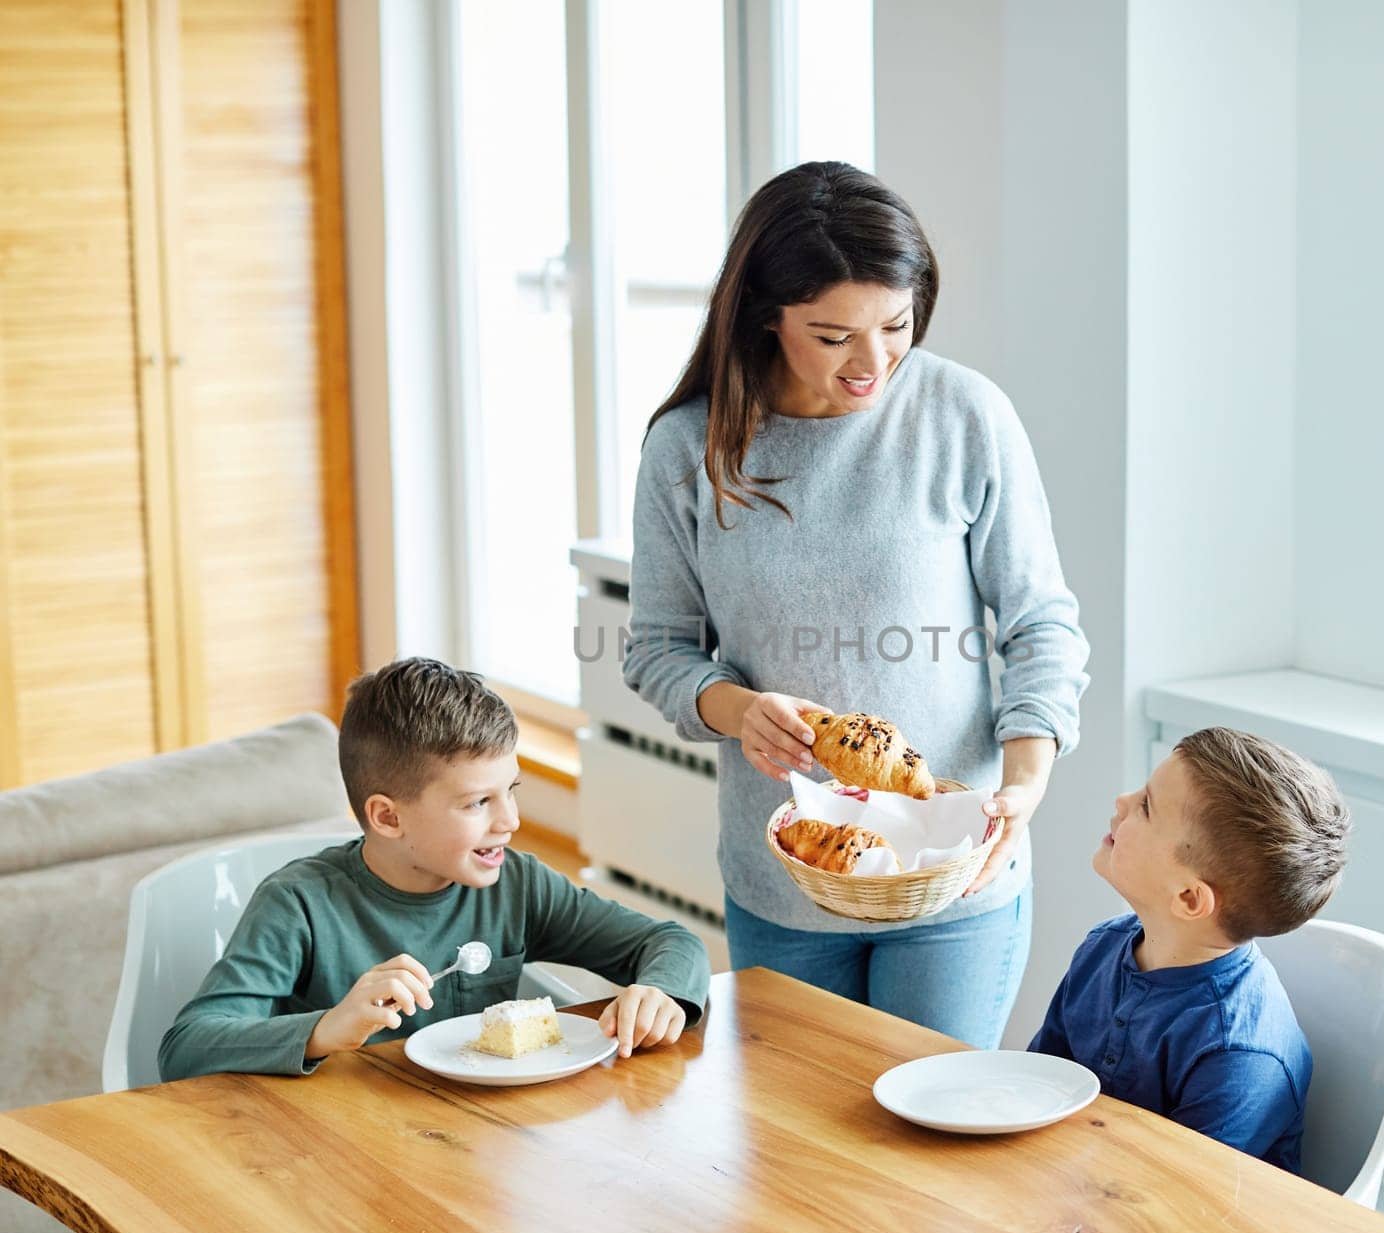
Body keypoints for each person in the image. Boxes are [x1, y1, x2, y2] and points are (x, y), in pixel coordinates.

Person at [623, 161, 1089, 1048]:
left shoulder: (964, 416)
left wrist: (1025, 781)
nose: (873, 362)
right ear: (766, 314)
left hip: (955, 868)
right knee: (802, 1162)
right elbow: (657, 648)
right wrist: (738, 708)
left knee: (926, 1156)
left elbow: (1040, 624)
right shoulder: (688, 448)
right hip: (789, 880)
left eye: (896, 324)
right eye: (833, 335)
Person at [158, 657, 710, 1081]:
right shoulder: (298, 904)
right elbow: (186, 1047)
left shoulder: (517, 884)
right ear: (388, 817)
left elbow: (670, 942)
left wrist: (661, 994)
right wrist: (327, 1029)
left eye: (509, 791)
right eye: (477, 804)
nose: (510, 821)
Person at [1028, 727, 1349, 1172]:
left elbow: (1175, 1203)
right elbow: (1032, 1091)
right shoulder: (1102, 948)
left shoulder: (1238, 1054)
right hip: (1070, 1191)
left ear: (1189, 899)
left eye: (1145, 806)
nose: (1122, 800)